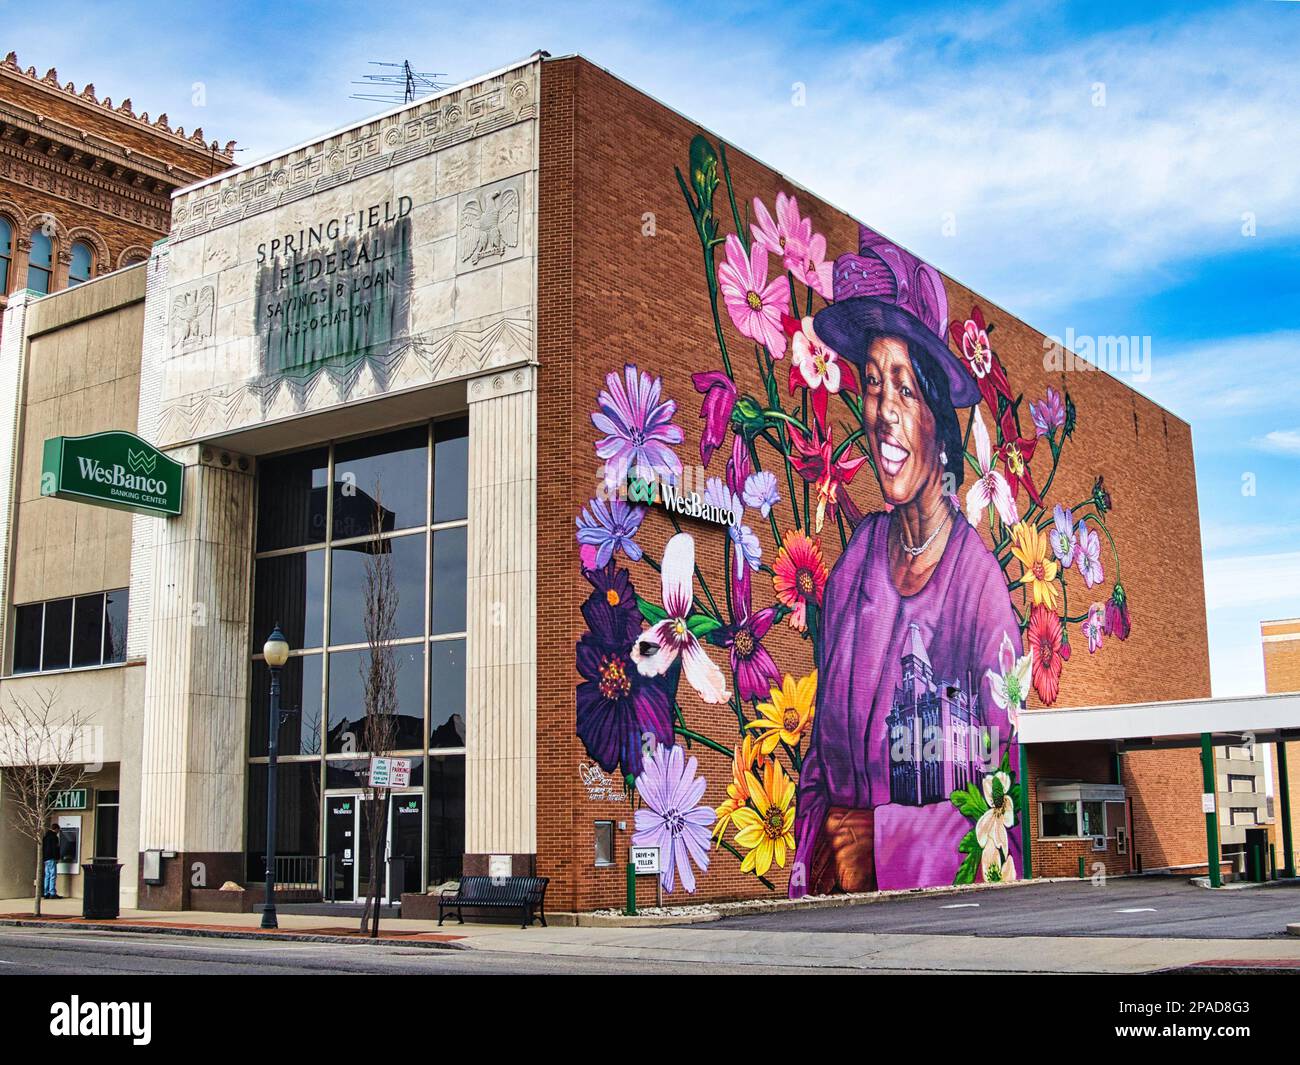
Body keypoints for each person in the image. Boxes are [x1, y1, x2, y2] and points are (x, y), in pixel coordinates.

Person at [790, 226, 1022, 896]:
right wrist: (820, 850)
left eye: (905, 389)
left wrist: (877, 835)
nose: (883, 412)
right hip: (830, 913)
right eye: (870, 384)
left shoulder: (979, 588)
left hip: (933, 923)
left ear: (938, 427)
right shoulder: (857, 558)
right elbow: (818, 760)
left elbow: (995, 787)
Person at [42, 821, 61, 900]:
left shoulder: (45, 837)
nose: (58, 832)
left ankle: (46, 893)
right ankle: (52, 893)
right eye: (58, 830)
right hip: (52, 858)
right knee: (53, 875)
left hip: (46, 858)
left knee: (47, 875)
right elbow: (55, 848)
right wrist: (57, 858)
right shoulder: (54, 837)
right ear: (56, 829)